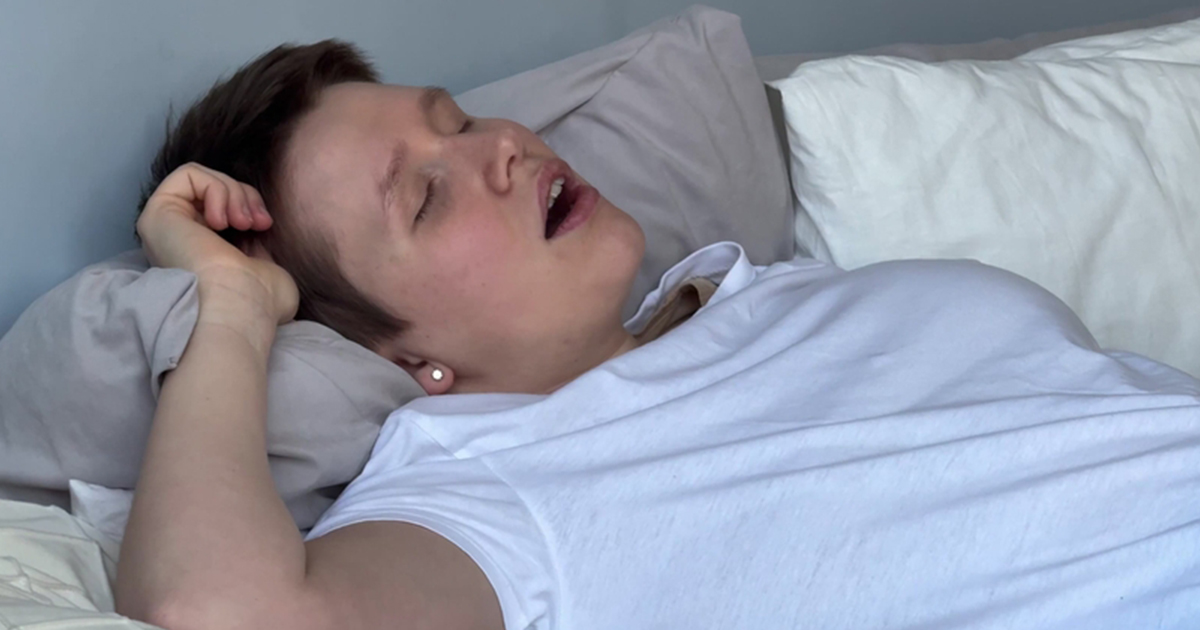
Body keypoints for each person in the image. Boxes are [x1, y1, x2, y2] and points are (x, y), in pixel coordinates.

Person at [115, 41, 1200, 630]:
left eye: (460, 121)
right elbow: (221, 610)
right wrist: (233, 307)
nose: (501, 148)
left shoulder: (757, 293)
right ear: (404, 359)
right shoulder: (484, 489)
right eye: (426, 197)